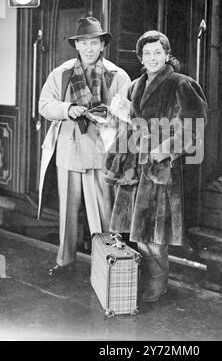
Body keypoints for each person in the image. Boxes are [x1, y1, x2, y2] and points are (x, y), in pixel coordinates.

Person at [105, 30, 207, 302]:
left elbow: (194, 128)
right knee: (139, 234)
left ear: (167, 55)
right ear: (141, 57)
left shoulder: (182, 84)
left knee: (155, 235)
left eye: (157, 53)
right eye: (147, 53)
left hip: (161, 169)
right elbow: (128, 122)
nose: (152, 58)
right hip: (136, 168)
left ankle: (157, 286)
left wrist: (165, 150)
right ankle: (145, 283)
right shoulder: (135, 85)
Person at [38, 16, 131, 276]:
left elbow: (127, 114)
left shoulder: (118, 75)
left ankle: (108, 265)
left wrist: (109, 116)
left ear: (102, 45)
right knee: (67, 214)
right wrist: (68, 108)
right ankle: (65, 262)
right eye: (84, 43)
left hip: (101, 152)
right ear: (76, 46)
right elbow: (44, 105)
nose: (89, 48)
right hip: (69, 151)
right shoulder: (62, 73)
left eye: (94, 43)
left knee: (104, 214)